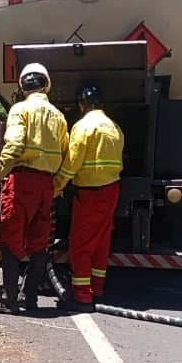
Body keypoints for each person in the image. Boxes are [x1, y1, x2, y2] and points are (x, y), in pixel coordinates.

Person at [0, 63, 68, 315]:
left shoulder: (20, 109)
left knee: (10, 241)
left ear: (22, 86)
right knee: (39, 243)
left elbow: (15, 145)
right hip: (45, 185)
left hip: (21, 182)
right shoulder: (58, 116)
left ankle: (9, 299)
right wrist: (55, 186)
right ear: (46, 85)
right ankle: (30, 298)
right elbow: (65, 153)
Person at [53, 84, 124, 310]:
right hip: (112, 190)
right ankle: (97, 288)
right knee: (101, 242)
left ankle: (82, 296)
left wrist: (56, 187)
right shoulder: (115, 128)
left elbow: (71, 164)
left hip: (90, 193)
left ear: (82, 106)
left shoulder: (83, 127)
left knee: (81, 244)